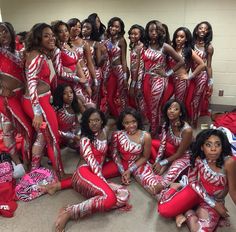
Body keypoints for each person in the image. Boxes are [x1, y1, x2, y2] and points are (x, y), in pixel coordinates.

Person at [54, 108, 130, 232]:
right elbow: (93, 164)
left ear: (101, 121)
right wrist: (104, 183)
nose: (94, 123)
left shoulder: (105, 132)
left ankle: (94, 199)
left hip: (95, 174)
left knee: (124, 194)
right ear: (86, 123)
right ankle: (70, 212)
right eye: (90, 121)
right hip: (84, 172)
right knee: (110, 198)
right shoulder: (85, 139)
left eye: (97, 120)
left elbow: (116, 122)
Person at [158, 129, 236, 232]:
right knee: (164, 210)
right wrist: (214, 204)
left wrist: (215, 203)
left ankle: (187, 211)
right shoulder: (198, 158)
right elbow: (193, 181)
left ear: (222, 147)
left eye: (218, 145)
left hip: (217, 199)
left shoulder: (229, 163)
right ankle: (175, 187)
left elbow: (233, 191)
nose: (213, 149)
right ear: (202, 147)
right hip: (196, 191)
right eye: (208, 145)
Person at [22, 23, 67, 178]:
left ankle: (34, 169)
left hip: (40, 101)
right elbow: (32, 84)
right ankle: (59, 173)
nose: (51, 38)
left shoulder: (37, 53)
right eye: (46, 35)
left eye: (52, 35)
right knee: (53, 137)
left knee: (42, 136)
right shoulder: (37, 56)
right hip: (38, 103)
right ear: (38, 38)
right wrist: (37, 112)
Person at [102, 107, 162, 197]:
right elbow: (114, 153)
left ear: (138, 121)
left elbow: (145, 157)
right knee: (98, 175)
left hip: (138, 164)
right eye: (127, 123)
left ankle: (173, 189)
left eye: (133, 121)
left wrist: (130, 170)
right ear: (122, 123)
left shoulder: (146, 136)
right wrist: (122, 171)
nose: (131, 125)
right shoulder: (117, 135)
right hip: (120, 163)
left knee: (153, 188)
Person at [0, 22, 33, 175]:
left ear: (11, 32)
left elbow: (27, 72)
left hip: (22, 95)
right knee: (7, 129)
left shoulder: (21, 50)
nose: (2, 35)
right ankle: (16, 161)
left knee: (27, 128)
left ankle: (28, 159)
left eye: (4, 31)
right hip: (5, 98)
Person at [141, 20, 184, 136]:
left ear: (160, 32)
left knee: (155, 107)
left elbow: (181, 61)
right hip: (146, 79)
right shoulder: (146, 45)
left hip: (159, 80)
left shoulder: (165, 47)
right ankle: (155, 126)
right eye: (151, 30)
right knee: (148, 106)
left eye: (156, 30)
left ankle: (154, 131)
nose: (153, 33)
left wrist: (167, 73)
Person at [151, 99, 193, 194]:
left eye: (176, 109)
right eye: (169, 108)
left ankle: (161, 186)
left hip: (184, 155)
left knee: (169, 173)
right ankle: (164, 166)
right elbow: (162, 145)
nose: (172, 111)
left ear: (181, 113)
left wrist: (162, 163)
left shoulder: (187, 130)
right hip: (172, 151)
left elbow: (180, 153)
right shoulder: (167, 124)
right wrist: (158, 162)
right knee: (150, 143)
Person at [185, 21, 214, 126]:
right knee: (188, 99)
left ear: (208, 32)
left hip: (201, 76)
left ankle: (194, 121)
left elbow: (209, 66)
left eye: (206, 29)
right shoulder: (191, 44)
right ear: (196, 30)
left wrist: (211, 82)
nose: (203, 30)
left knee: (196, 100)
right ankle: (188, 117)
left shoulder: (209, 47)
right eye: (201, 28)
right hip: (191, 75)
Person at [67, 18, 98, 107]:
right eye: (74, 26)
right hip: (70, 75)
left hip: (84, 74)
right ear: (68, 27)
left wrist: (95, 80)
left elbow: (90, 63)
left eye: (79, 27)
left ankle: (88, 118)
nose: (77, 28)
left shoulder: (84, 43)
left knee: (86, 99)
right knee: (72, 101)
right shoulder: (64, 43)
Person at [171, 27, 205, 102]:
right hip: (169, 79)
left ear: (186, 39)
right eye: (177, 36)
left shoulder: (188, 50)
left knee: (178, 103)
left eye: (182, 37)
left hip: (181, 81)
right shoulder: (171, 48)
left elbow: (202, 64)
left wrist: (190, 76)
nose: (178, 39)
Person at [104, 17, 128, 117]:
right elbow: (109, 54)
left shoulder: (122, 41)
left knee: (122, 96)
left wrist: (126, 77)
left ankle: (125, 117)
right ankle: (117, 117)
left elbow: (123, 59)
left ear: (120, 28)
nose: (114, 28)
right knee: (109, 97)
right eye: (112, 26)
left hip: (120, 70)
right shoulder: (108, 41)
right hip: (110, 70)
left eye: (117, 26)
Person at [52, 84, 81, 151]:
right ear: (60, 95)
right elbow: (53, 130)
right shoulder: (56, 109)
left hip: (69, 137)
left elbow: (77, 124)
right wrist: (72, 136)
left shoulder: (74, 105)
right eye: (65, 93)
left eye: (71, 92)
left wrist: (78, 134)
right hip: (57, 138)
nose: (69, 95)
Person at [128, 24, 146, 118]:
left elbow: (140, 68)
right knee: (135, 99)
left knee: (140, 99)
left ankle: (144, 121)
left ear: (141, 35)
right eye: (131, 34)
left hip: (139, 78)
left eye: (135, 34)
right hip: (134, 76)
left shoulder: (141, 47)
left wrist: (135, 84)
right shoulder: (134, 45)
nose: (132, 36)